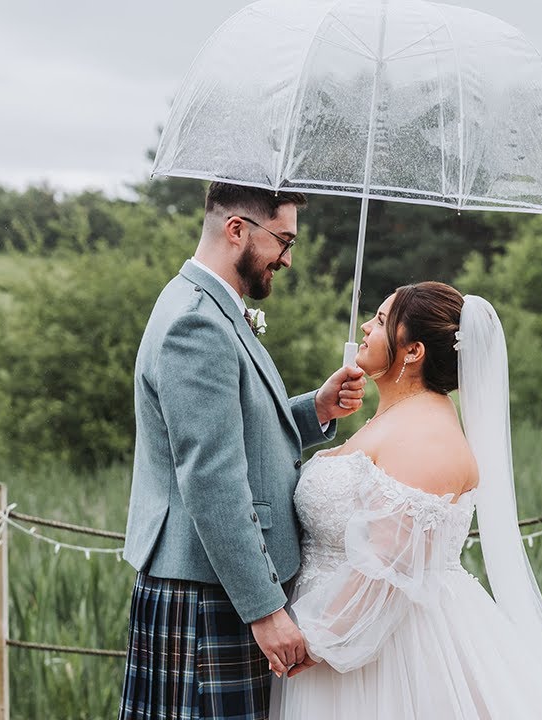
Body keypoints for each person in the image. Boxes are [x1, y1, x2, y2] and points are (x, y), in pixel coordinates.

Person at [271, 282, 542, 719]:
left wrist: (319, 638)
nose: (367, 327)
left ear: (413, 352)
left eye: (383, 320)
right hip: (331, 628)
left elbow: (389, 563)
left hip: (386, 652)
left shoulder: (431, 436)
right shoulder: (389, 418)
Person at [119, 181, 366, 720]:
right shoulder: (197, 324)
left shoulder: (206, 304)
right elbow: (212, 478)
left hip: (214, 580)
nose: (287, 258)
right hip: (211, 587)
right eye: (283, 240)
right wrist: (264, 611)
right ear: (237, 230)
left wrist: (317, 409)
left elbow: (244, 434)